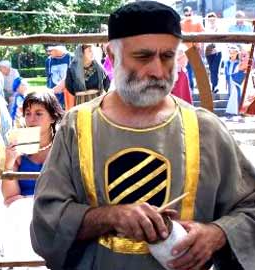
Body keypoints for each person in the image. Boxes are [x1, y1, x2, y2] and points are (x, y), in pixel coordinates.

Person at [31, 2, 255, 270]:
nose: (158, 71)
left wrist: (218, 234)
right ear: (112, 58)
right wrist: (109, 217)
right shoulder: (76, 126)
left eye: (167, 56)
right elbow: (47, 219)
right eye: (143, 56)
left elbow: (249, 209)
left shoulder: (206, 129)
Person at [2, 91, 63, 205]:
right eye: (28, 113)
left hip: (56, 211)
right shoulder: (17, 149)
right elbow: (10, 198)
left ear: (53, 118)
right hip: (24, 211)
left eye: (38, 114)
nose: (31, 119)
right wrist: (8, 165)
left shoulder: (64, 147)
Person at [180, 6, 205, 92]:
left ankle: (201, 89)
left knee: (198, 70)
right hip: (184, 51)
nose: (188, 16)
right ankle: (190, 88)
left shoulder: (197, 22)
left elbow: (203, 35)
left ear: (192, 13)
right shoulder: (181, 24)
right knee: (188, 71)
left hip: (195, 50)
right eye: (186, 15)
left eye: (189, 14)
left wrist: (201, 48)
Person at [205, 12, 223, 94]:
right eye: (210, 19)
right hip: (209, 52)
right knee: (212, 69)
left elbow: (222, 40)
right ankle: (213, 85)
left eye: (213, 19)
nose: (211, 21)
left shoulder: (219, 28)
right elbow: (204, 41)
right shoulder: (206, 29)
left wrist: (217, 48)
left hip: (217, 52)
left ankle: (215, 86)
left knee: (215, 69)